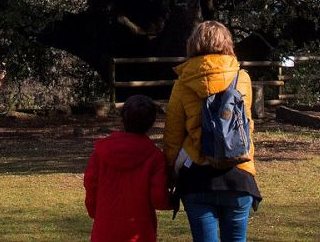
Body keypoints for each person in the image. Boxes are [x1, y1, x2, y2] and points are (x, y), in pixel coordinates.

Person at [163, 20, 261, 242]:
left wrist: (170, 173)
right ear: (226, 42)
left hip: (197, 176)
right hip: (238, 173)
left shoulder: (183, 81)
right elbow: (247, 125)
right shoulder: (242, 78)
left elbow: (173, 133)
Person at [84, 94, 171, 242]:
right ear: (151, 122)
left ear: (123, 118)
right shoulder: (154, 156)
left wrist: (95, 212)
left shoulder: (101, 152)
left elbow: (91, 185)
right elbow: (159, 199)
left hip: (105, 228)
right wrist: (173, 200)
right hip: (139, 231)